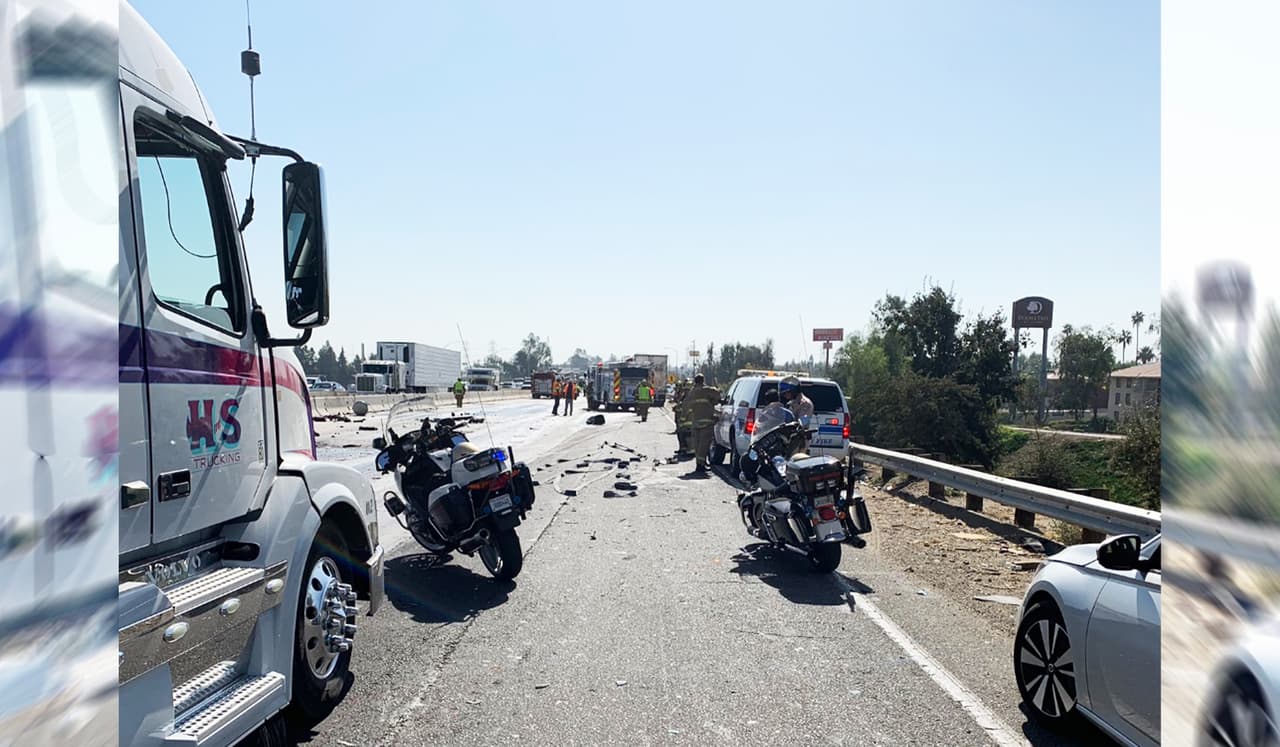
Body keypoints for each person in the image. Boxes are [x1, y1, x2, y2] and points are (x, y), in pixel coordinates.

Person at [684, 373, 721, 474]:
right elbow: (718, 395)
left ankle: (700, 463)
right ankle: (700, 466)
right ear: (703, 380)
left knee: (697, 444)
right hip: (707, 422)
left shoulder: (692, 392)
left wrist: (683, 419)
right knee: (704, 445)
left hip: (695, 423)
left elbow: (686, 405)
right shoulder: (707, 390)